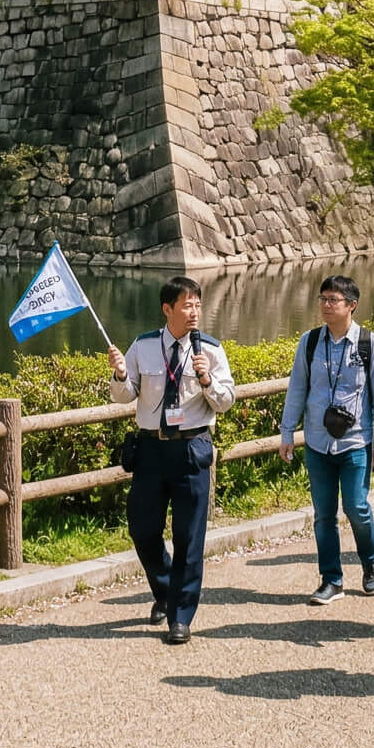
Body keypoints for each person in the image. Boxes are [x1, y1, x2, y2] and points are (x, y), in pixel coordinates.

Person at [107, 276, 235, 645]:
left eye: (197, 304)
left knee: (188, 537)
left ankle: (180, 616)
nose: (194, 312)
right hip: (150, 449)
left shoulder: (210, 349)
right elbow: (124, 395)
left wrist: (207, 380)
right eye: (186, 305)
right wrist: (119, 373)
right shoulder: (144, 346)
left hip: (191, 449)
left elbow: (226, 401)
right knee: (142, 529)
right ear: (168, 309)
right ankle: (164, 589)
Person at [278, 274, 374, 604]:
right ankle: (331, 579)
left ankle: (370, 562)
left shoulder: (370, 344)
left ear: (351, 305)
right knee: (323, 513)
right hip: (316, 440)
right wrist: (287, 432)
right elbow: (297, 388)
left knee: (356, 506)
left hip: (355, 441)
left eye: (333, 300)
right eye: (323, 299)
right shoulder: (310, 342)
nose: (326, 305)